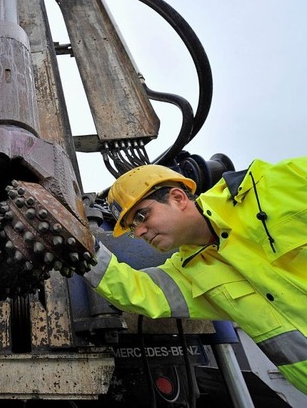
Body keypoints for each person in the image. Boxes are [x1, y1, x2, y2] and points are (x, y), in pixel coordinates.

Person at [84, 157, 307, 393]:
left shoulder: (273, 186)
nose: (139, 232)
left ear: (178, 198)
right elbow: (138, 290)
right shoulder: (190, 273)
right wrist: (85, 248)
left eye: (141, 216)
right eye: (131, 228)